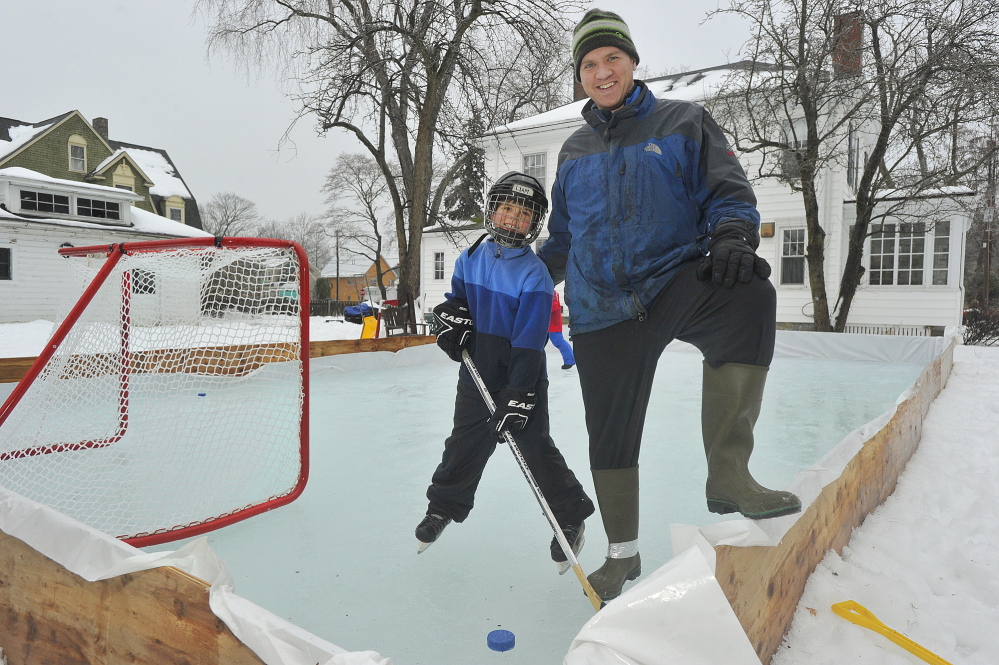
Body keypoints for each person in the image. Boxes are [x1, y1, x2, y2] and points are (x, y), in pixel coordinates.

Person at [537, 9, 802, 601]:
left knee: (749, 294)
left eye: (612, 59)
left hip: (672, 282)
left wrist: (733, 235)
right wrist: (510, 278)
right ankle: (621, 554)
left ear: (632, 63)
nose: (602, 72)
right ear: (579, 77)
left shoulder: (684, 120)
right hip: (600, 306)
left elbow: (727, 191)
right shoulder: (574, 151)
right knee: (609, 432)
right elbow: (560, 240)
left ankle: (729, 473)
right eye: (589, 64)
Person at [417, 171, 595, 574]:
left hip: (521, 370)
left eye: (524, 214)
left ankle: (570, 515)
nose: (514, 219)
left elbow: (531, 340)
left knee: (533, 446)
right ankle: (443, 507)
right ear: (492, 211)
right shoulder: (468, 258)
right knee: (465, 442)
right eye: (507, 209)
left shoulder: (534, 275)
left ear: (534, 224)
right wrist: (452, 326)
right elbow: (458, 307)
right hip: (478, 368)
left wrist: (520, 390)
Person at [548, 291, 575, 369]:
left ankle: (570, 360)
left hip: (553, 322)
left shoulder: (552, 292)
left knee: (558, 341)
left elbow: (554, 305)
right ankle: (570, 360)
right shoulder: (549, 291)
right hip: (547, 322)